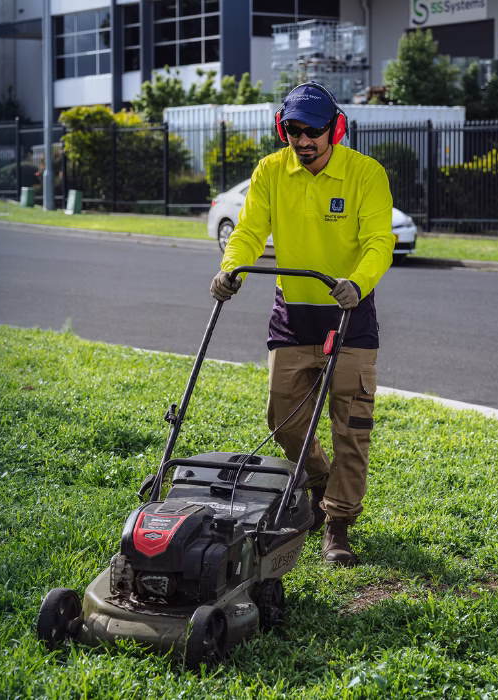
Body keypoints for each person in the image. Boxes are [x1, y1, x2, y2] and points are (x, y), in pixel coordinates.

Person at [210, 82, 395, 567]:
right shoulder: (272, 172)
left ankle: (337, 524)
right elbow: (249, 230)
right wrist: (231, 267)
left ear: (333, 129)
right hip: (293, 316)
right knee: (282, 416)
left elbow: (380, 241)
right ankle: (318, 482)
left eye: (312, 130)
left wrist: (357, 282)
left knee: (351, 427)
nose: (303, 140)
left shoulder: (365, 174)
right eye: (293, 130)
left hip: (350, 316)